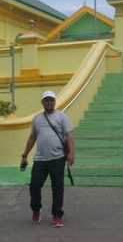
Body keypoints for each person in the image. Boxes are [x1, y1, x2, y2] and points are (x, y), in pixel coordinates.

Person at [20, 91, 75, 228]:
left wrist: (71, 153)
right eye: (46, 100)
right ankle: (36, 209)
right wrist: (25, 155)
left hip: (57, 158)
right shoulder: (37, 119)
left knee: (58, 188)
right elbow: (32, 137)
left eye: (51, 100)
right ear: (42, 102)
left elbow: (68, 136)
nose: (49, 102)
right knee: (34, 185)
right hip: (40, 159)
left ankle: (57, 215)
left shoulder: (62, 116)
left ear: (55, 101)